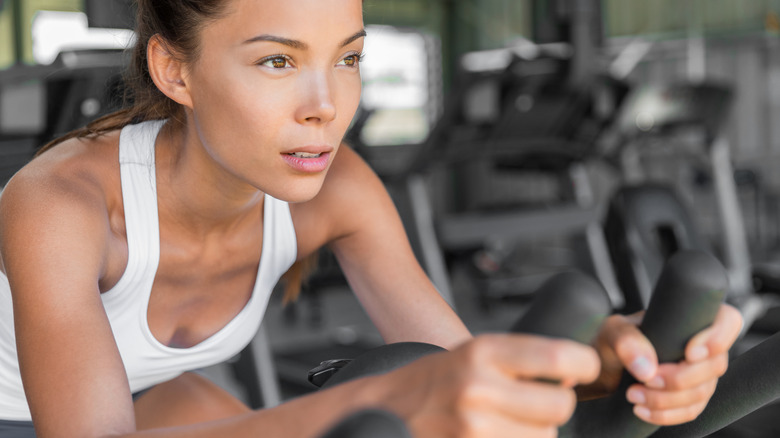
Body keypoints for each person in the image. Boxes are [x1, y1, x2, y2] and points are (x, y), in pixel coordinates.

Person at [0, 0, 743, 437]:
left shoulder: (339, 188)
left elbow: (447, 362)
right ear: (175, 71)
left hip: (147, 401)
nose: (327, 105)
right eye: (277, 62)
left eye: (349, 59)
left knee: (214, 403)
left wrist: (606, 362)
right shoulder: (58, 204)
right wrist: (390, 396)